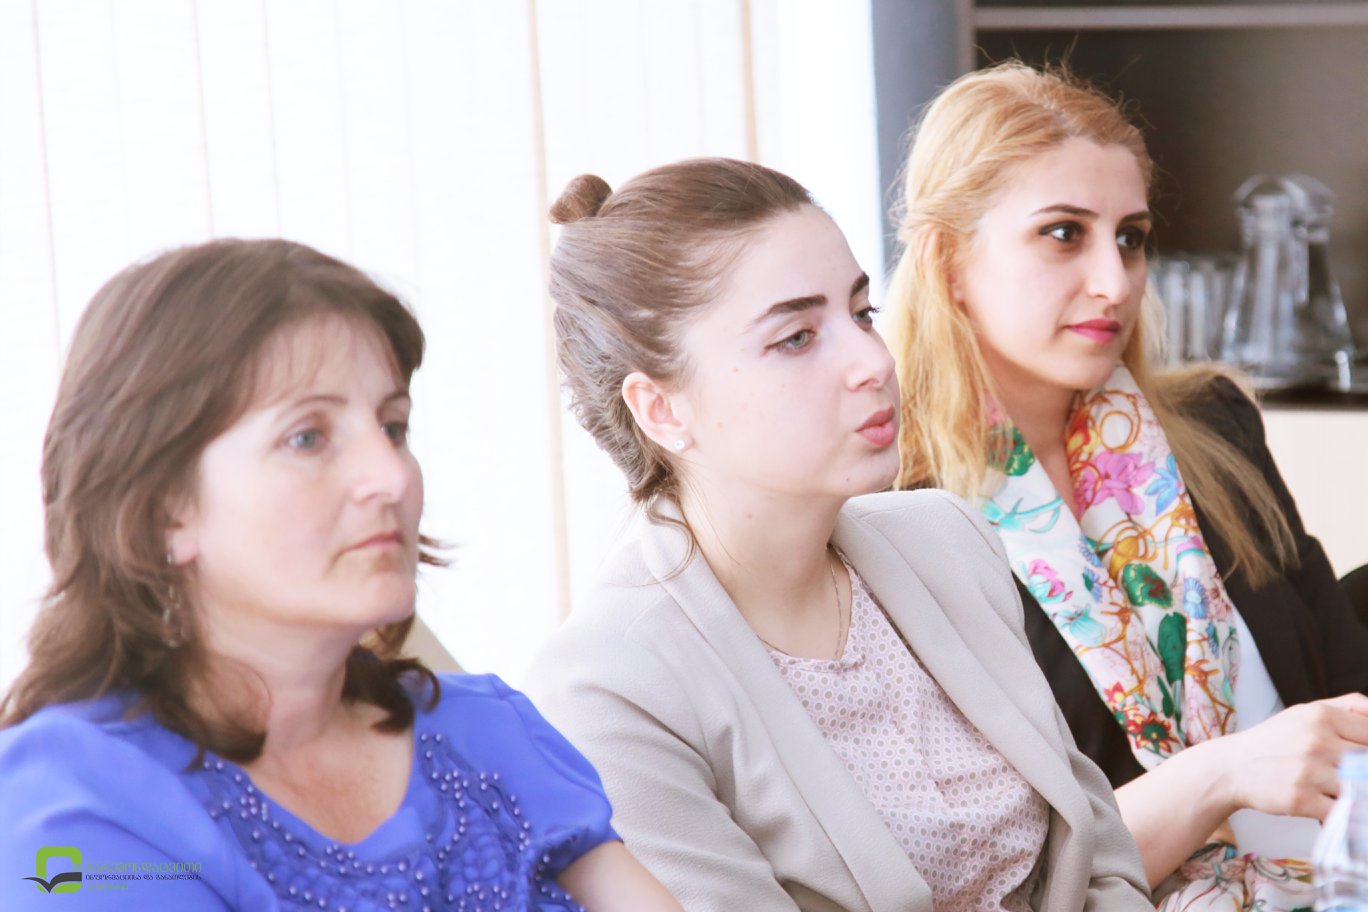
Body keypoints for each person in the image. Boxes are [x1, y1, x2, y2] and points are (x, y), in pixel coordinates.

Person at [524, 158, 1152, 911]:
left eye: (861, 313)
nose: (873, 362)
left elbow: (1103, 859)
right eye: (796, 337)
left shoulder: (949, 540)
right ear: (661, 409)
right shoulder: (608, 687)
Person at [0, 239, 683, 912]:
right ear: (161, 512)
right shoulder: (75, 799)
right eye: (307, 437)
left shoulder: (489, 729)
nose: (391, 477)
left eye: (393, 427)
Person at [885, 62, 1368, 911]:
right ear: (949, 260)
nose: (1115, 282)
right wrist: (1222, 775)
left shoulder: (1214, 427)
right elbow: (994, 885)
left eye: (1131, 237)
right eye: (1063, 234)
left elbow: (1340, 676)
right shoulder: (892, 521)